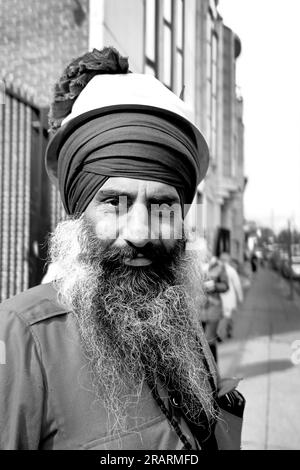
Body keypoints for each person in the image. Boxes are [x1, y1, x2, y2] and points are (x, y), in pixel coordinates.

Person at [0, 47, 244, 450]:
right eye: (114, 202)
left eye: (163, 207)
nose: (140, 232)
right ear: (79, 210)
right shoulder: (22, 336)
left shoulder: (180, 321)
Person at [202, 257, 229, 363]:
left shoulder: (218, 265)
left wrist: (215, 286)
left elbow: (225, 286)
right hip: (196, 310)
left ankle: (213, 375)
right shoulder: (191, 262)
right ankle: (202, 374)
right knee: (197, 344)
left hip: (213, 309)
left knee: (209, 342)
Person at [218, 252, 244, 340]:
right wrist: (240, 297)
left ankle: (226, 331)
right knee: (227, 316)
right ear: (228, 260)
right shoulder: (231, 271)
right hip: (228, 298)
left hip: (222, 298)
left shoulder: (217, 269)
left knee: (226, 316)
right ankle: (221, 334)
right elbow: (237, 285)